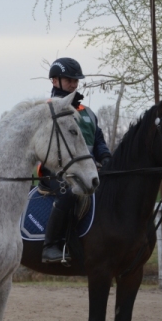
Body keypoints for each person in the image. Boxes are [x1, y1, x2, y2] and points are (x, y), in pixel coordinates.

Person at [41, 57, 111, 264]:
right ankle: (50, 245)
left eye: (76, 80)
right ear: (55, 81)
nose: (73, 83)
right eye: (69, 79)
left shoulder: (88, 113)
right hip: (55, 172)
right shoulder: (48, 110)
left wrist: (106, 157)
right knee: (69, 194)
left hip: (87, 170)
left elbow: (98, 141)